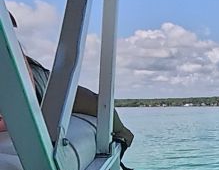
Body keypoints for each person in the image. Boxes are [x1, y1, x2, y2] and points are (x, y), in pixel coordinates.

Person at [0, 11, 133, 149]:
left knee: (105, 109)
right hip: (35, 84)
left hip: (48, 86)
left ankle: (123, 140)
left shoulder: (14, 60)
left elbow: (22, 107)